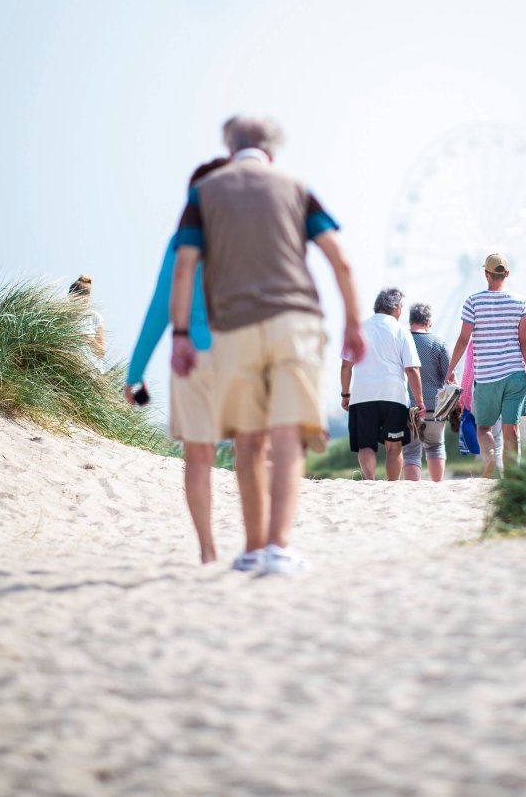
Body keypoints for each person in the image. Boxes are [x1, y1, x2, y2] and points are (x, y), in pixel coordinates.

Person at [170, 115, 365, 575]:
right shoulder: (296, 186)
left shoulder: (205, 192)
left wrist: (180, 333)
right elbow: (340, 260)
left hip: (233, 327)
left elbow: (184, 265)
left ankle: (253, 548)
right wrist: (353, 321)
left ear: (228, 144)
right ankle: (279, 546)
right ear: (273, 150)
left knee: (249, 439)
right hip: (294, 320)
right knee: (287, 433)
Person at [125, 157, 229, 564]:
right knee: (257, 448)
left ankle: (207, 550)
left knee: (199, 456)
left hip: (194, 359)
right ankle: (265, 542)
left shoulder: (183, 239)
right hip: (241, 355)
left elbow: (159, 310)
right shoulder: (244, 236)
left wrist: (135, 374)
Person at [445, 253, 526, 478]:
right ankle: (513, 476)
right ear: (507, 273)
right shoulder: (521, 302)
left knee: (484, 428)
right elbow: (525, 341)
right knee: (511, 428)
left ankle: (490, 459)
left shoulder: (473, 302)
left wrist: (451, 369)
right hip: (516, 375)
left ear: (486, 274)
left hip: (487, 377)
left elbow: (463, 339)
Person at [341, 288, 425, 481]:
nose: (402, 311)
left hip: (362, 394)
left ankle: (369, 480)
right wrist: (419, 401)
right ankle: (392, 485)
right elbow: (412, 369)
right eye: (401, 307)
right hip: (393, 394)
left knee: (365, 444)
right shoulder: (401, 330)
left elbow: (346, 366)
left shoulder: (358, 328)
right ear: (395, 307)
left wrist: (345, 394)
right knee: (394, 445)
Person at [459, 340, 526, 474]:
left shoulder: (477, 337)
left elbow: (469, 370)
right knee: (512, 431)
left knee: (489, 432)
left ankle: (492, 460)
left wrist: (465, 397)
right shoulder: (513, 331)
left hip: (487, 386)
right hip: (514, 386)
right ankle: (512, 473)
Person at [403, 302, 450, 482]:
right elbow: (449, 377)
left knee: (411, 451)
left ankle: (413, 490)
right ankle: (437, 486)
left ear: (410, 320)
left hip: (408, 405)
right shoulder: (438, 343)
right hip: (435, 406)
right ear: (429, 321)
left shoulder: (402, 340)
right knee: (436, 445)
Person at [68, 274, 106, 371]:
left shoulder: (95, 317)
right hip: (68, 367)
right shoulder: (62, 316)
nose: (79, 299)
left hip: (91, 370)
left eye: (83, 296)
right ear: (70, 296)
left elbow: (101, 353)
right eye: (75, 295)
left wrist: (87, 339)